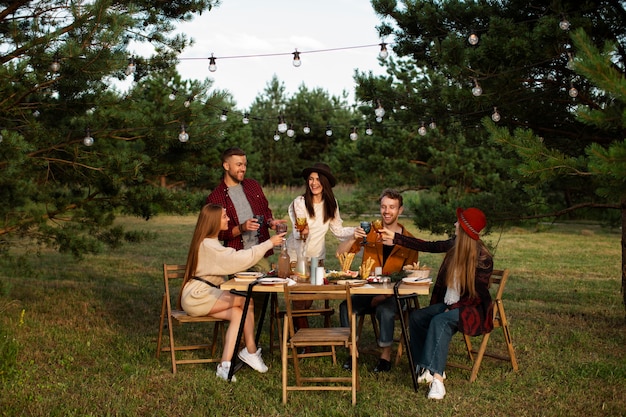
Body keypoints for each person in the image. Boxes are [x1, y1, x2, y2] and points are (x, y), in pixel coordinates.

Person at [380, 207, 493, 399]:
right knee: (417, 317)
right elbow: (428, 246)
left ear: (465, 228)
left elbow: (478, 297)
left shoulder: (483, 258)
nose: (455, 224)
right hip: (451, 304)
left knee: (440, 321)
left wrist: (452, 308)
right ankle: (424, 367)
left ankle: (438, 380)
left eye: (459, 222)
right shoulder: (455, 245)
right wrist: (396, 238)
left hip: (471, 309)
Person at [179, 204, 286, 381]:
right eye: (224, 216)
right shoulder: (208, 245)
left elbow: (230, 258)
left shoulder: (210, 242)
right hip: (197, 296)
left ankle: (225, 365)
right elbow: (236, 259)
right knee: (247, 302)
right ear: (213, 221)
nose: (228, 219)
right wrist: (269, 243)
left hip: (203, 294)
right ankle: (251, 350)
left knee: (238, 313)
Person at [337, 188, 419, 373]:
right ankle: (352, 353)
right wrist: (353, 238)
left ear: (400, 210)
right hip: (368, 290)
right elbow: (341, 253)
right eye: (383, 207)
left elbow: (411, 276)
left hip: (394, 295)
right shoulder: (370, 233)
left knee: (385, 310)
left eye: (392, 207)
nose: (387, 211)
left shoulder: (408, 241)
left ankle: (385, 357)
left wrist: (383, 296)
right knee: (345, 306)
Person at [286, 162, 355, 330]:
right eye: (310, 179)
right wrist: (303, 231)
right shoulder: (300, 202)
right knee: (298, 299)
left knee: (308, 299)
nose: (314, 183)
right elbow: (298, 233)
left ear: (325, 182)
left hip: (317, 258)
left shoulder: (331, 203)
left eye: (317, 179)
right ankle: (303, 341)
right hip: (297, 257)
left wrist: (357, 230)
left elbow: (338, 231)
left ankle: (299, 332)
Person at [206, 147, 284, 272]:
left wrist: (270, 222)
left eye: (245, 165)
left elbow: (265, 210)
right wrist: (242, 227)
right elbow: (218, 233)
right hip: (235, 255)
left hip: (259, 252)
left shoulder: (253, 186)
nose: (243, 168)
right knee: (238, 291)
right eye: (239, 165)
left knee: (264, 288)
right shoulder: (215, 197)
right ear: (226, 166)